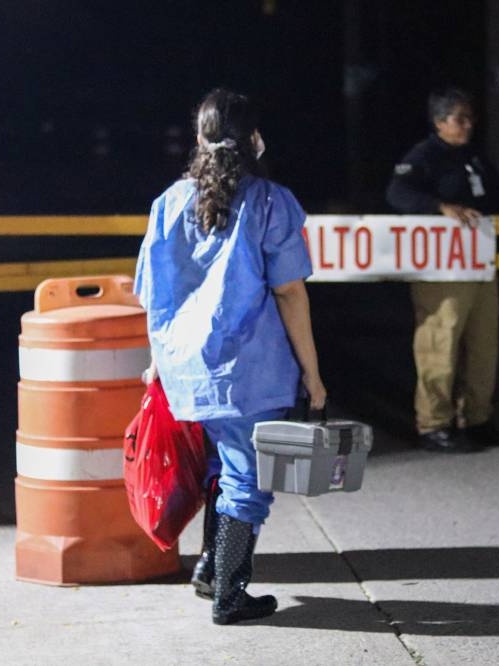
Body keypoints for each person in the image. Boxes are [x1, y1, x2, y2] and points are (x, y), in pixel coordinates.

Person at [135, 89, 326, 625]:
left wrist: (157, 363)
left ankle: (209, 570)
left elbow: (153, 295)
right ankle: (230, 595)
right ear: (255, 141)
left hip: (184, 371)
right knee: (246, 479)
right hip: (247, 370)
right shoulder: (269, 201)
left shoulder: (168, 203)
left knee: (221, 468)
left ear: (199, 139)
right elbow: (290, 293)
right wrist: (312, 373)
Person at [386, 87, 499, 453]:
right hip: (442, 268)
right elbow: (397, 192)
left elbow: (497, 189)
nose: (468, 125)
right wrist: (439, 207)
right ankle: (433, 422)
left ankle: (477, 418)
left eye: (470, 118)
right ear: (439, 122)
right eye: (459, 119)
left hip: (480, 264)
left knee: (484, 345)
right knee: (439, 342)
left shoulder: (475, 156)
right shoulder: (424, 156)